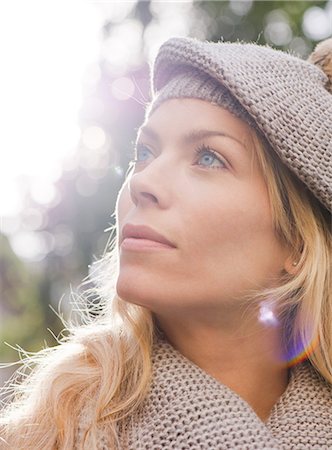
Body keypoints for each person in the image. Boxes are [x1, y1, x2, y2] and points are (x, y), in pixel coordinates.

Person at [0, 35, 331, 450]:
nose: (142, 181)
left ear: (298, 244)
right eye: (144, 152)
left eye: (208, 157)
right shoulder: (44, 435)